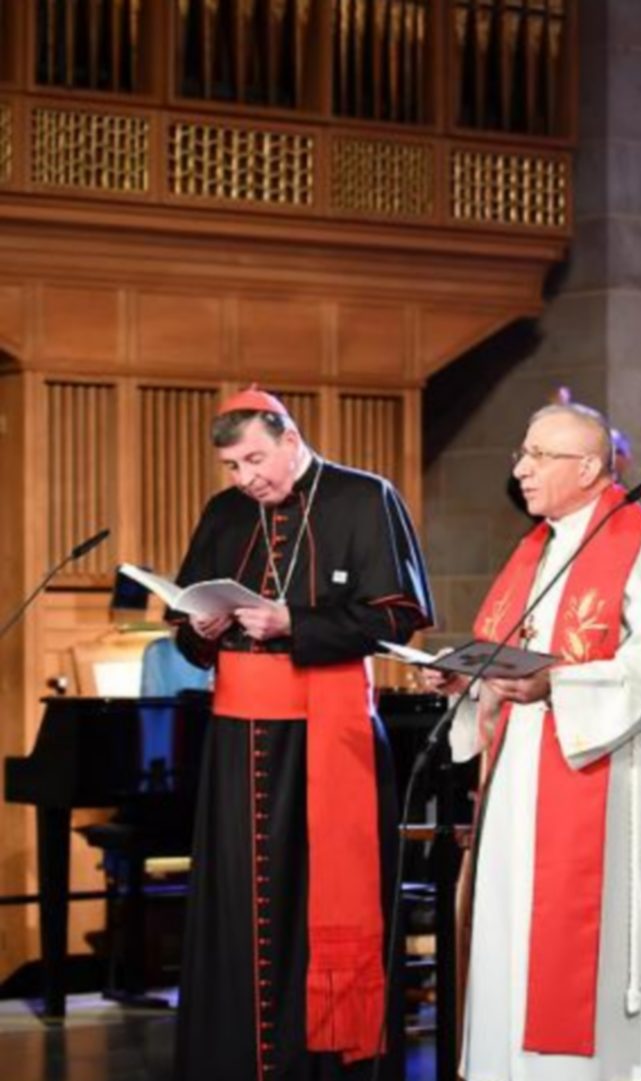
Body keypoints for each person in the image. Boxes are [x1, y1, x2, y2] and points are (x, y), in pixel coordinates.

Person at [169, 387, 433, 1081]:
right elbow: (188, 619)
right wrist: (199, 627)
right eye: (231, 465)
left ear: (290, 438)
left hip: (326, 731)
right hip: (235, 741)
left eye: (255, 457)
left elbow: (401, 616)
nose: (245, 477)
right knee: (238, 906)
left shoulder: (363, 497)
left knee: (313, 897)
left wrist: (295, 624)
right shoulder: (226, 513)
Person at [436, 404, 641, 1079]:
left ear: (587, 466)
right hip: (518, 772)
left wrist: (561, 686)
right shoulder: (540, 547)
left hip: (598, 774)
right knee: (513, 932)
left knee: (574, 947)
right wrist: (467, 680)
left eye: (539, 455)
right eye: (522, 452)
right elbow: (510, 649)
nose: (520, 468)